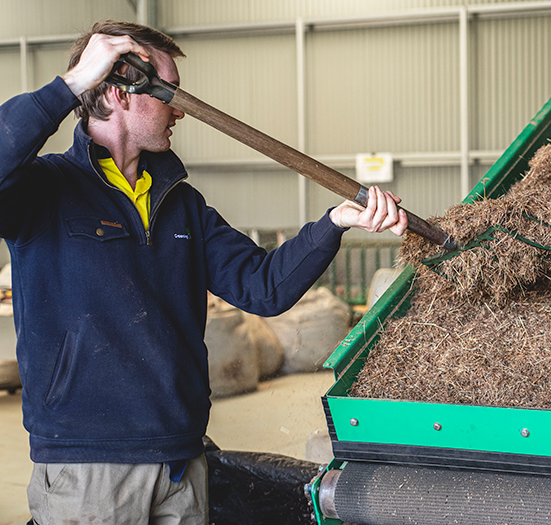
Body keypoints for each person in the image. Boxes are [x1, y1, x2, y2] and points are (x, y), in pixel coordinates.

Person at [0, 20, 407, 525]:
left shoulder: (181, 204)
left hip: (181, 463)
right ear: (120, 89)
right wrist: (70, 85)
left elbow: (265, 287)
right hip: (88, 466)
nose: (180, 109)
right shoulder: (43, 191)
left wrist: (333, 224)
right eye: (170, 92)